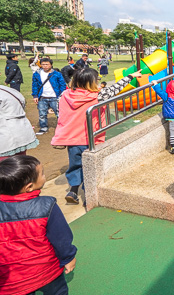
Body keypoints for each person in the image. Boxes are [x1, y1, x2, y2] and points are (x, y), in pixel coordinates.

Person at [51, 68, 143, 204]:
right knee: (90, 165)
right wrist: (130, 76)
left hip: (71, 138)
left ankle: (73, 190)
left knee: (75, 164)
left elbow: (59, 112)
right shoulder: (98, 96)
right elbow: (116, 89)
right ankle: (89, 195)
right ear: (91, 82)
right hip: (90, 137)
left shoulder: (64, 95)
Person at [0, 155, 78, 295]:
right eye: (42, 173)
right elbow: (61, 238)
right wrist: (68, 257)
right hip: (46, 271)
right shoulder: (46, 206)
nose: (44, 175)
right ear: (29, 187)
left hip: (11, 280)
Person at [0, 85, 38, 161]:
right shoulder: (9, 90)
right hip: (21, 132)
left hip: (6, 138)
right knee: (19, 165)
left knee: (7, 168)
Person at [32, 58, 66, 135]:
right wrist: (35, 96)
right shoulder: (36, 74)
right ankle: (43, 128)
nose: (45, 66)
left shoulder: (57, 74)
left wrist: (61, 95)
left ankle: (63, 128)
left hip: (55, 97)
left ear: (51, 65)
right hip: (42, 97)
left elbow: (62, 85)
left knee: (59, 113)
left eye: (47, 64)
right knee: (42, 114)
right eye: (43, 64)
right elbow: (35, 85)